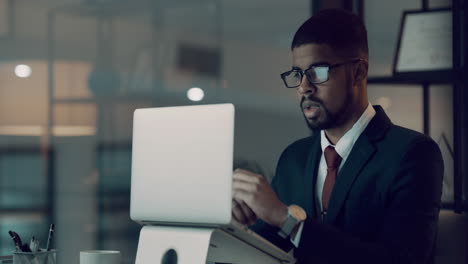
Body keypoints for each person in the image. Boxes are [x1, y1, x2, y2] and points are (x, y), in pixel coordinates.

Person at [231, 8, 444, 264]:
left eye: (317, 72)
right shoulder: (294, 158)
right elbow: (262, 246)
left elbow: (402, 260)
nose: (303, 87)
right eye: (297, 74)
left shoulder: (413, 154)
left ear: (358, 72)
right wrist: (235, 223)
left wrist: (287, 220)